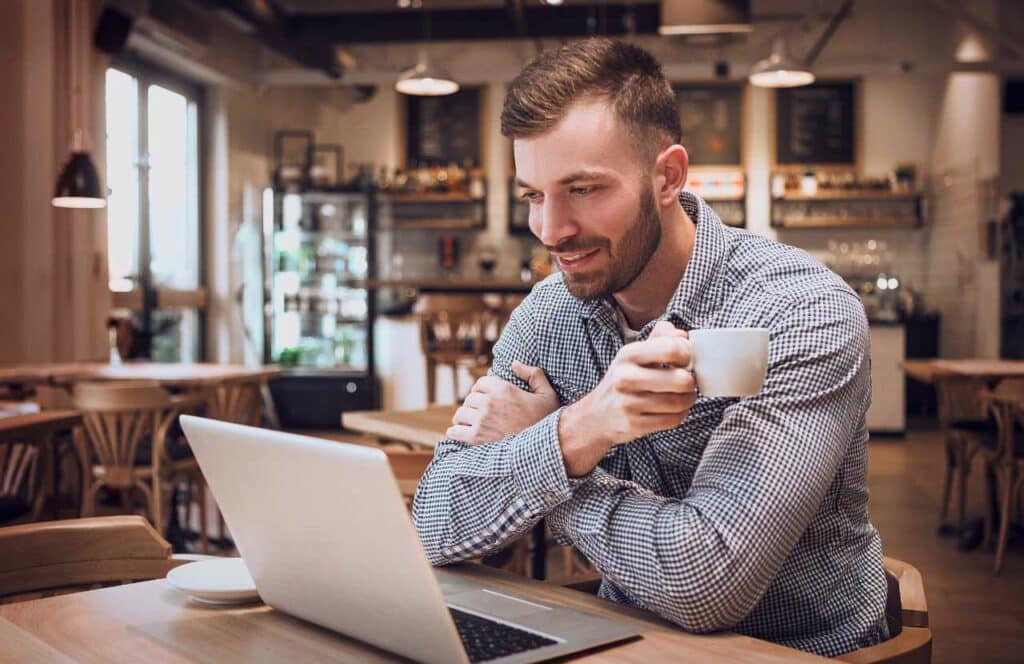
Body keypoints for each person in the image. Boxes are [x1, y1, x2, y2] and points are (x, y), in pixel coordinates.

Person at [412, 38, 889, 657]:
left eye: (583, 189)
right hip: (621, 643)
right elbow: (435, 523)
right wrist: (577, 432)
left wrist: (556, 446)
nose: (550, 231)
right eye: (533, 195)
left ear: (667, 176)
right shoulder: (551, 313)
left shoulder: (799, 311)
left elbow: (705, 581)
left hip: (800, 653)